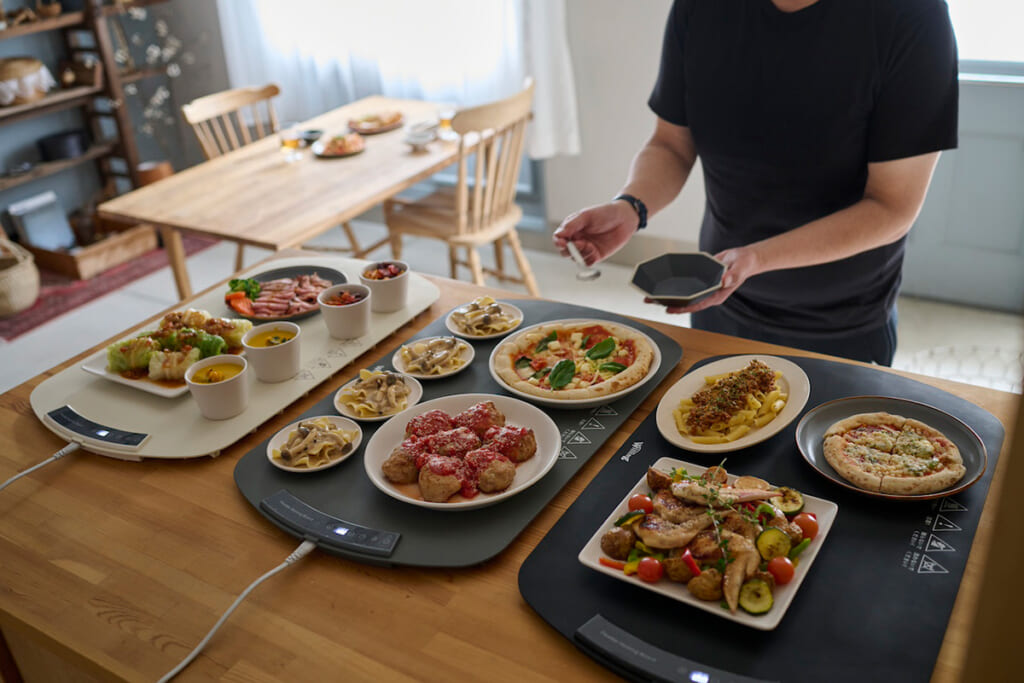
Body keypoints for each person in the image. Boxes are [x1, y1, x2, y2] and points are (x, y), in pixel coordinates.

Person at [553, 0, 958, 366]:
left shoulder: (912, 15)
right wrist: (631, 207)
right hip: (718, 301)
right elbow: (672, 144)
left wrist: (758, 259)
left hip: (840, 323)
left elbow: (893, 206)